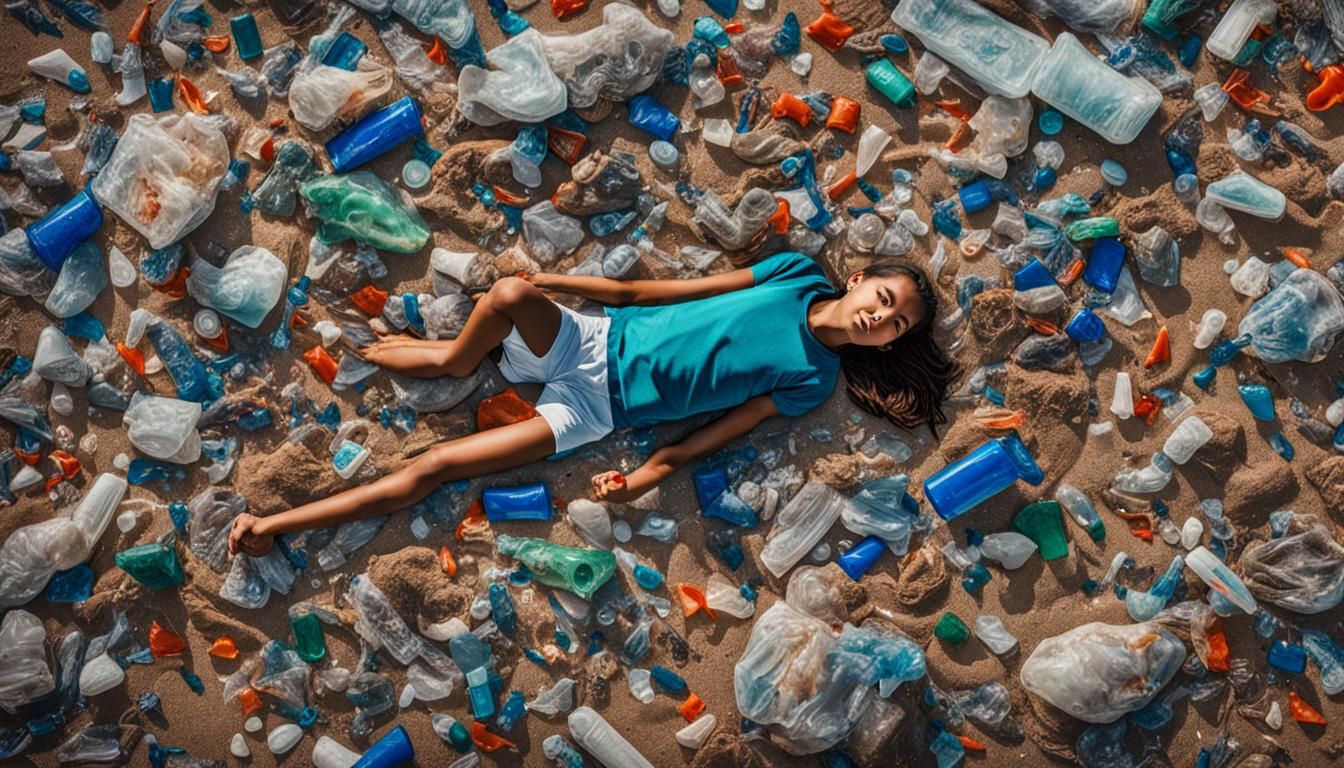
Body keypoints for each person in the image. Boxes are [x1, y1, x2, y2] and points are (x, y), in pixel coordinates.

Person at [227, 251, 957, 556]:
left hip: (597, 414)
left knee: (442, 466)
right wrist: (564, 281)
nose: (879, 318)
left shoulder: (813, 382)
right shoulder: (796, 273)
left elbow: (716, 432)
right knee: (511, 295)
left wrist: (647, 475)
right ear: (860, 278)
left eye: (894, 325)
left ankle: (274, 524)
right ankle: (442, 355)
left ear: (889, 344)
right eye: (883, 298)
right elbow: (659, 294)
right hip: (588, 340)